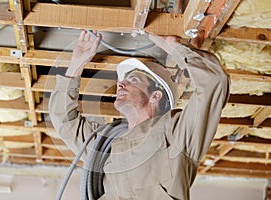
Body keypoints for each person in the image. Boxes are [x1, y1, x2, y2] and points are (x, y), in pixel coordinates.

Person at [49, 30, 230, 200]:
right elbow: (64, 120)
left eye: (132, 80)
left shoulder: (176, 132)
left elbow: (214, 82)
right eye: (123, 80)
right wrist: (76, 64)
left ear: (155, 96)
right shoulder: (106, 144)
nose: (120, 84)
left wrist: (174, 48)